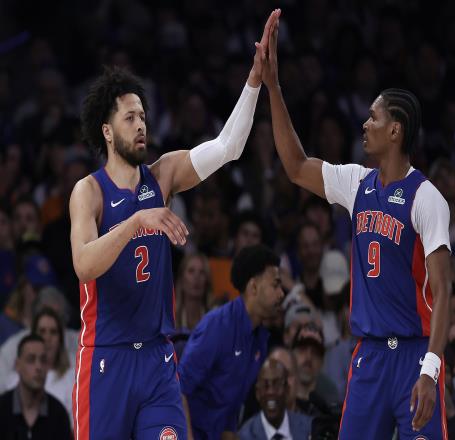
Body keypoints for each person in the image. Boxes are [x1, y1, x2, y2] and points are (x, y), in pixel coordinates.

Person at [69, 10, 281, 440]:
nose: (141, 125)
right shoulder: (88, 191)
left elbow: (228, 146)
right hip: (106, 359)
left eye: (143, 116)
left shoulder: (163, 175)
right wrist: (136, 221)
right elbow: (83, 265)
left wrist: (253, 81)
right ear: (107, 131)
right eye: (130, 118)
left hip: (157, 361)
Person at [261, 12, 451, 438]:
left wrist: (431, 370)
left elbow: (443, 290)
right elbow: (295, 166)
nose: (365, 124)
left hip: (414, 354)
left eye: (374, 118)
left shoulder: (427, 198)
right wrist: (273, 88)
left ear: (396, 131)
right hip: (368, 356)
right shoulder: (356, 183)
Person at [178, 244, 284, 440]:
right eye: (275, 285)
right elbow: (178, 389)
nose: (281, 294)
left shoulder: (260, 340)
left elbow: (230, 409)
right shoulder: (217, 326)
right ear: (253, 287)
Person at [0, 334, 72, 440]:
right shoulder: (2, 408)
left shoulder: (58, 414)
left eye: (43, 360)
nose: (38, 367)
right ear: (17, 365)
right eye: (31, 360)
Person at [238, 358, 312, 440]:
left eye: (277, 384)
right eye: (265, 385)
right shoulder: (244, 436)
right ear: (257, 394)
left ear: (287, 390)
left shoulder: (310, 428)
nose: (271, 392)